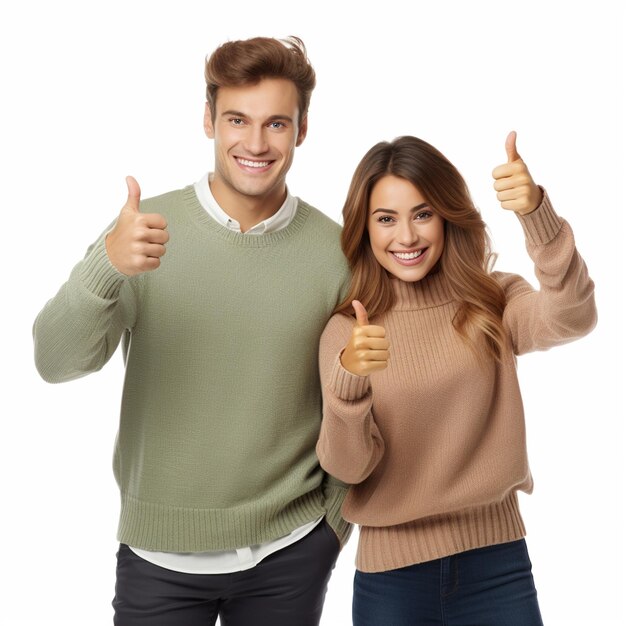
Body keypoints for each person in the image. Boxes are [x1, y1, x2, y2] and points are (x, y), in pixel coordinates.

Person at [33, 36, 352, 626]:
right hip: (158, 558)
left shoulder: (335, 254)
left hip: (291, 553)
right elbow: (54, 362)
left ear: (302, 130)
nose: (255, 143)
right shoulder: (143, 232)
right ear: (208, 120)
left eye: (276, 123)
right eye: (237, 119)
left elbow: (361, 398)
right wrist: (106, 265)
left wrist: (333, 524)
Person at [316, 133, 597, 625]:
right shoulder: (348, 331)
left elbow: (572, 316)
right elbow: (348, 468)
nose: (406, 237)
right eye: (386, 219)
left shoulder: (492, 301)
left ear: (448, 216)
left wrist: (537, 217)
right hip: (391, 580)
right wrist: (350, 385)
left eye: (422, 214)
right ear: (365, 229)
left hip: (498, 564)